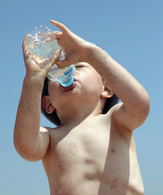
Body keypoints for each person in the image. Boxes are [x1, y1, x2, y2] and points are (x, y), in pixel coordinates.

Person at [14, 20, 150, 195]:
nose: (67, 73)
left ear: (106, 88)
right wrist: (33, 80)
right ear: (48, 104)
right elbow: (25, 147)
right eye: (53, 75)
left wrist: (91, 54)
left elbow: (140, 105)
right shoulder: (50, 138)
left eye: (78, 66)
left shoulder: (115, 120)